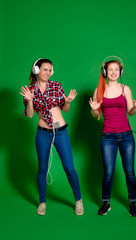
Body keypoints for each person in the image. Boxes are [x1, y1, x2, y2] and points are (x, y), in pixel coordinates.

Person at [20, 58, 84, 216]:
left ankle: (79, 201)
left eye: (50, 70)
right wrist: (29, 101)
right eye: (45, 69)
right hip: (43, 133)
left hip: (60, 132)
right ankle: (42, 202)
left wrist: (67, 102)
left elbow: (66, 109)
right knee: (42, 169)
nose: (48, 73)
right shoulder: (30, 90)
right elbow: (29, 115)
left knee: (69, 168)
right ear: (36, 70)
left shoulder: (56, 86)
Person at [89, 56, 136, 217]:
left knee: (129, 171)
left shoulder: (125, 89)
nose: (113, 72)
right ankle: (106, 203)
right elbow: (95, 114)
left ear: (120, 71)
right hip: (108, 137)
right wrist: (94, 109)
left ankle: (133, 203)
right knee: (108, 172)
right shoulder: (99, 90)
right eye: (110, 69)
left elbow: (131, 112)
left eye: (116, 69)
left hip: (126, 136)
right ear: (105, 71)